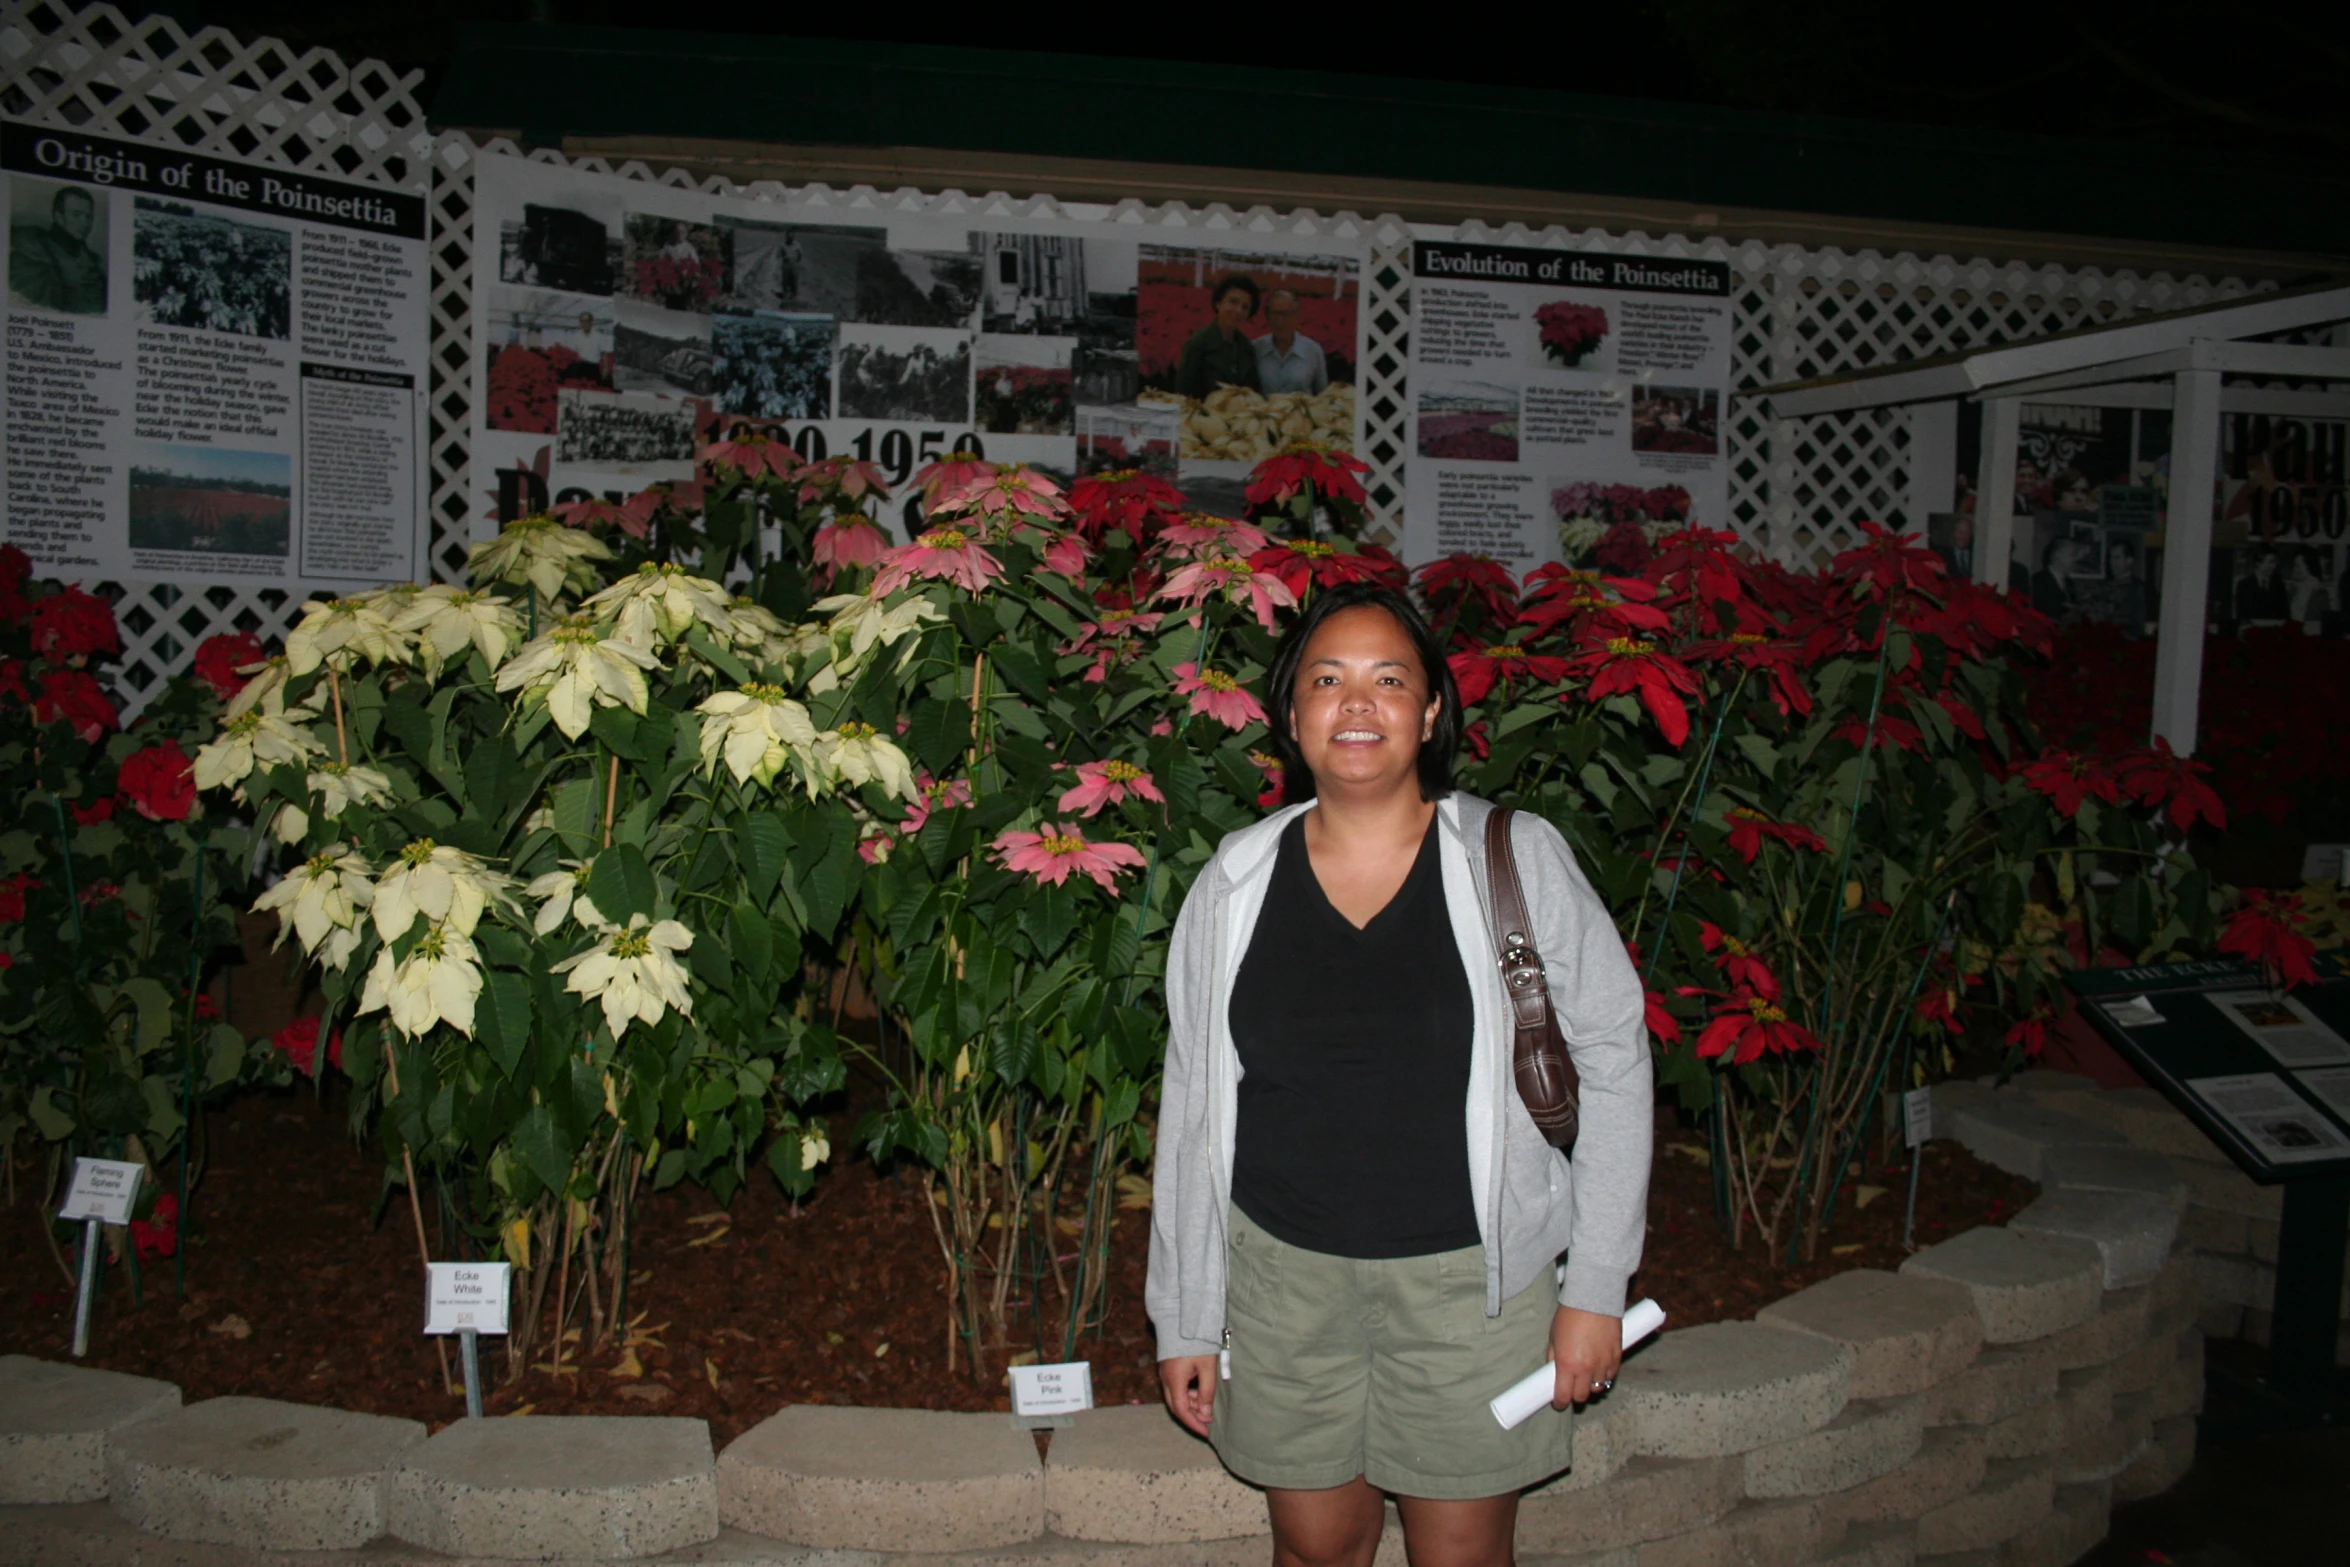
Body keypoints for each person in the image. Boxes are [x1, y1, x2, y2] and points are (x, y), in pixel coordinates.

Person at [1149, 582, 1652, 1567]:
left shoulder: (1514, 858)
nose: (1357, 704)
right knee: (1315, 1546)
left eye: (1388, 679)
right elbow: (1195, 1103)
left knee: (1461, 1555)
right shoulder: (1233, 882)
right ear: (1291, 716)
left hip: (1473, 1284)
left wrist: (1594, 1286)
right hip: (1281, 1282)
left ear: (1428, 713)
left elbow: (1615, 1057)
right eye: (1327, 681)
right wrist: (1185, 1313)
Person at [9, 183, 105, 315]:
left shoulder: (92, 261)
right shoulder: (33, 250)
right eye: (76, 215)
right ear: (59, 217)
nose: (85, 223)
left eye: (88, 217)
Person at [1176, 274, 1262, 400]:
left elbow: (1254, 393)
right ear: (1218, 303)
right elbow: (1182, 394)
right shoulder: (1198, 343)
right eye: (1233, 302)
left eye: (1245, 307)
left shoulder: (1246, 347)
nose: (1238, 310)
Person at [1254, 288, 1328, 395]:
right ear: (1267, 316)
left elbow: (1322, 395)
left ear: (1297, 316)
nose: (1280, 321)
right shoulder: (1256, 348)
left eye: (1286, 314)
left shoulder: (1313, 351)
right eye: (1275, 314)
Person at [2236, 547, 2289, 621]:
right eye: (2270, 562)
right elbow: (2241, 615)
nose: (2274, 566)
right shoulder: (2244, 585)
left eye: (2274, 562)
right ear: (2258, 563)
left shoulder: (2280, 586)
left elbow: (2285, 614)